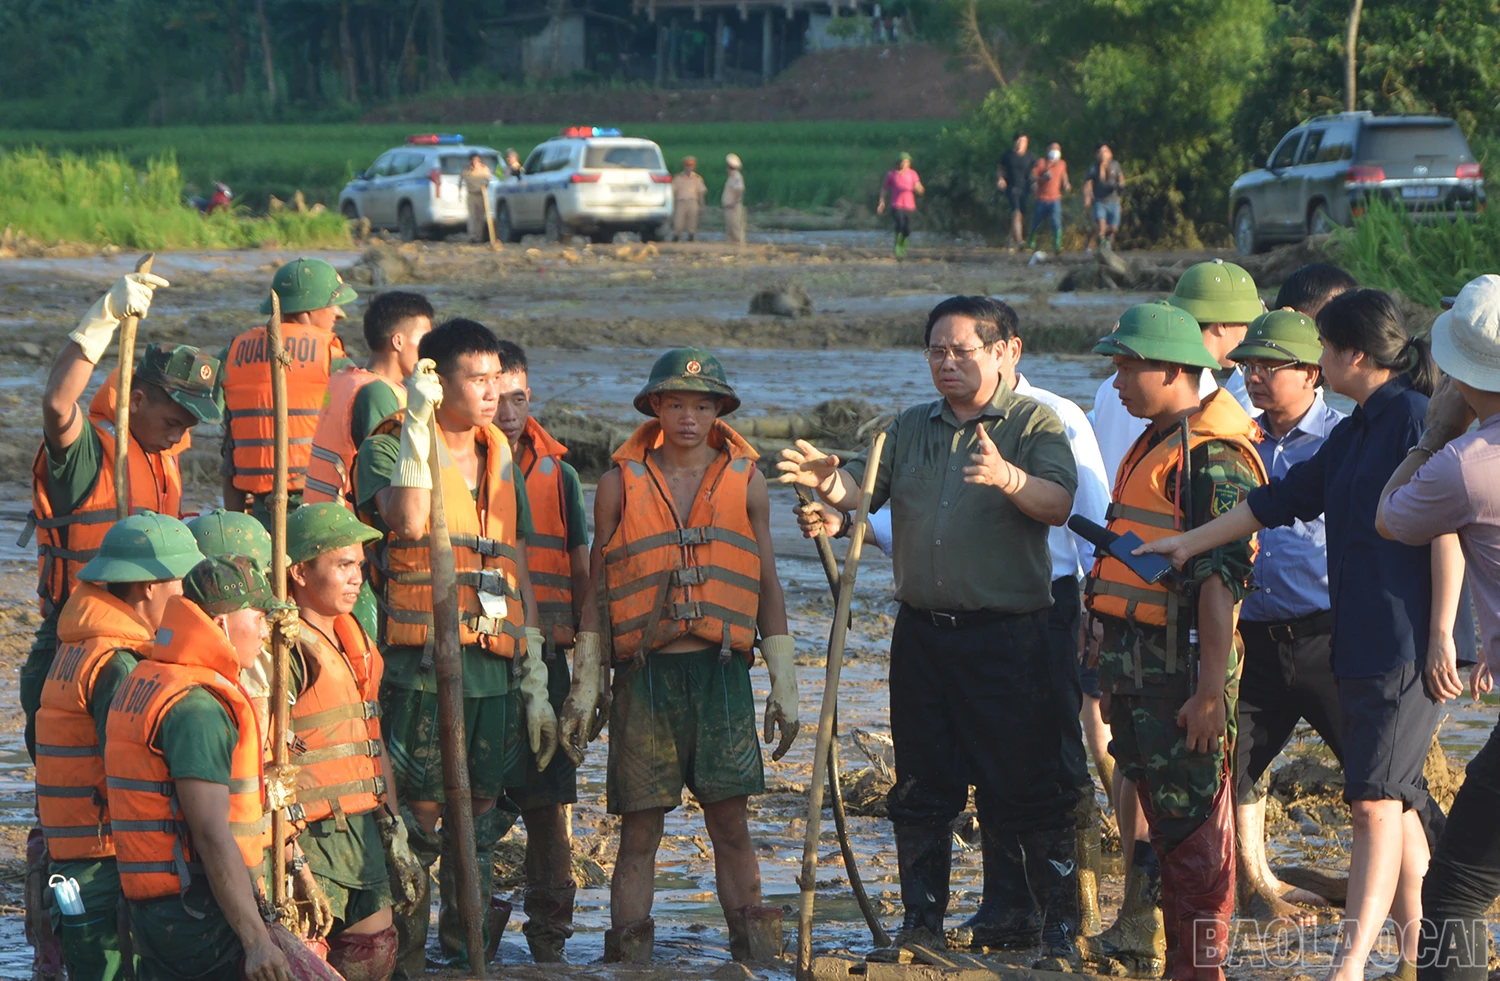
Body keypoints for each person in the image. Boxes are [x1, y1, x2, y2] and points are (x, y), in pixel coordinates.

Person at [1138, 288, 1471, 981]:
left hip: (1408, 642)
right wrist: (1187, 542)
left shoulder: (1413, 419)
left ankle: (1349, 964)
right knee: (1398, 798)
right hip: (1360, 640)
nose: (1316, 359)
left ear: (1353, 355)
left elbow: (1448, 525)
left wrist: (1444, 632)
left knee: (1373, 800)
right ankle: (1423, 957)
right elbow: (1276, 501)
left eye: (1322, 348)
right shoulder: (1352, 433)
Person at [781, 297, 1081, 967]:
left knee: (1029, 784)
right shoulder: (908, 426)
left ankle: (1057, 928)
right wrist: (831, 487)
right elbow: (864, 495)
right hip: (922, 634)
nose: (946, 362)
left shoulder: (1036, 422)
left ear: (1006, 351)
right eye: (936, 351)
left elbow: (1059, 505)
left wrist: (1007, 477)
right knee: (921, 784)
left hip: (1010, 635)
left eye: (961, 350)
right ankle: (921, 924)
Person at [571, 347, 797, 964]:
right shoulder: (619, 483)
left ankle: (756, 957)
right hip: (645, 679)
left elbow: (768, 582)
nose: (689, 417)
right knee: (639, 830)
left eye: (703, 405)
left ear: (721, 410)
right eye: (676, 404)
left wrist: (783, 679)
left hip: (721, 674)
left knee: (731, 824)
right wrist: (586, 683)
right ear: (655, 408)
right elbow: (597, 589)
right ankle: (628, 961)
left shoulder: (747, 481)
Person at [352, 318, 557, 975]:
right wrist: (416, 422)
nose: (494, 390)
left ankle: (469, 953)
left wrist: (536, 681)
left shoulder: (499, 451)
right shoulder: (388, 446)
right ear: (439, 380)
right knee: (418, 816)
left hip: (491, 667)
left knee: (483, 816)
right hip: (418, 666)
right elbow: (408, 518)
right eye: (478, 377)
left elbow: (515, 560)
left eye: (499, 376)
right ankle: (407, 957)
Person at [1086, 301, 1267, 981]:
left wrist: (1208, 692)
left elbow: (1221, 587)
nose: (1119, 378)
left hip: (1181, 676)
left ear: (1173, 369)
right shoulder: (1157, 436)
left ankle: (1199, 970)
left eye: (1130, 365)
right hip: (1139, 668)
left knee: (1194, 833)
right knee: (1166, 824)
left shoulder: (1212, 457)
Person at [1376, 275, 1500, 981]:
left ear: (1455, 372)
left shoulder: (1465, 465)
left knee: (1455, 892)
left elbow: (1390, 516)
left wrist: (1435, 433)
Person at [105, 555, 299, 981]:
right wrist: (256, 941)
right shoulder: (197, 708)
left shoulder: (149, 676)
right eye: (260, 615)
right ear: (224, 624)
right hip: (195, 914)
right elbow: (211, 835)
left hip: (155, 909)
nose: (268, 630)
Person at [1216, 309, 1346, 925]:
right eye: (1248, 365)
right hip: (1251, 643)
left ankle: (1439, 888)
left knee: (1385, 780)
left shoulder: (1345, 440)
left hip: (1329, 640)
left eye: (1272, 366)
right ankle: (1249, 888)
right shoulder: (1237, 437)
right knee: (1226, 767)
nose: (1256, 377)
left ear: (1313, 373)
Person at [36, 514, 204, 981]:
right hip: (105, 859)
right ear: (147, 587)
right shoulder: (116, 664)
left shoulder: (77, 645)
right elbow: (131, 763)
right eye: (179, 581)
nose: (187, 595)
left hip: (74, 856)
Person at [283, 503, 424, 981]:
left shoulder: (353, 639)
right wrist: (287, 850)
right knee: (307, 958)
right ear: (299, 572)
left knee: (374, 952)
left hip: (360, 826)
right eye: (342, 565)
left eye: (360, 566)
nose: (356, 577)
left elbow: (370, 738)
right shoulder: (285, 648)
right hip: (308, 832)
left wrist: (393, 824)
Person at [489, 340, 593, 962]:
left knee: (549, 802)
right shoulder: (451, 462)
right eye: (495, 397)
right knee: (466, 799)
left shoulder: (562, 476)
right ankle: (465, 931)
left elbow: (582, 572)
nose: (507, 411)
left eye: (518, 398)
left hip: (548, 661)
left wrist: (587, 673)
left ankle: (550, 939)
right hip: (479, 653)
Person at [1092, 259, 1263, 486]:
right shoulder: (1199, 392)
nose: (1248, 337)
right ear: (1222, 323)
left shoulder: (1110, 385)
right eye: (1246, 325)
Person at [221, 257, 357, 527]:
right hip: (319, 508)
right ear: (307, 309)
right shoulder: (332, 357)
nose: (337, 314)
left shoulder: (234, 352)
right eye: (332, 304)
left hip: (261, 510)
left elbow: (229, 447)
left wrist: (236, 524)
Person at [305, 291, 433, 510]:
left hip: (323, 516)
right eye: (423, 340)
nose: (428, 350)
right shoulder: (378, 393)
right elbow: (384, 475)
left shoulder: (347, 378)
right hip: (348, 527)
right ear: (398, 341)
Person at [878, 152, 925, 257]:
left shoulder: (912, 174)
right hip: (897, 205)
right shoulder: (892, 174)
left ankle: (903, 246)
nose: (903, 164)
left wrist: (919, 189)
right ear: (898, 163)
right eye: (902, 162)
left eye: (906, 162)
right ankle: (897, 247)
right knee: (900, 224)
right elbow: (884, 189)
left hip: (910, 206)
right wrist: (882, 202)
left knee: (907, 229)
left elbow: (920, 188)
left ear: (909, 163)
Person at [996, 132, 1036, 251]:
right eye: (1019, 140)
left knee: (1020, 214)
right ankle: (1019, 241)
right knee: (1016, 212)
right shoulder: (1008, 155)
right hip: (1011, 187)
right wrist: (1000, 179)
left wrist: (1035, 183)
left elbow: (1036, 171)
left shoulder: (1031, 156)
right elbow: (1000, 168)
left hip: (1026, 188)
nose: (1021, 143)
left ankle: (1010, 238)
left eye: (1024, 141)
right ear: (1015, 142)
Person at [1028, 143, 1070, 254]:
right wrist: (1042, 178)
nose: (1055, 151)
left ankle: (1057, 246)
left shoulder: (1062, 163)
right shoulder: (1041, 162)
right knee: (1037, 222)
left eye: (1057, 149)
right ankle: (1031, 241)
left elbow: (1063, 174)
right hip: (1041, 198)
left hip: (1055, 198)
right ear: (1048, 150)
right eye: (1053, 149)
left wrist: (1066, 183)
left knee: (1056, 221)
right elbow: (1032, 176)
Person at [1083, 144, 1124, 251]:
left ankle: (1108, 246)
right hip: (1099, 201)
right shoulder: (1093, 168)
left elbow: (1120, 177)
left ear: (1110, 153)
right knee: (1101, 227)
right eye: (1101, 152)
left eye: (1106, 151)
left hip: (1113, 201)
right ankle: (1101, 248)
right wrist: (1087, 197)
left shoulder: (1115, 165)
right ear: (1097, 154)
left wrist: (1120, 184)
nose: (1103, 154)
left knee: (1114, 229)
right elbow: (1087, 183)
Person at [671, 157, 708, 242]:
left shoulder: (697, 178)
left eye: (691, 166)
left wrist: (702, 206)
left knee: (692, 222)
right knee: (678, 222)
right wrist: (673, 205)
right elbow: (673, 192)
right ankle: (676, 238)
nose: (689, 168)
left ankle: (691, 239)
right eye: (687, 165)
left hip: (692, 201)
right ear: (684, 166)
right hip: (681, 202)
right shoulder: (678, 178)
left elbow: (701, 193)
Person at [461, 153, 494, 244]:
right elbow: (461, 181)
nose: (475, 163)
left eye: (477, 160)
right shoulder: (466, 170)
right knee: (472, 216)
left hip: (481, 194)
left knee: (480, 216)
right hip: (471, 194)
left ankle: (479, 236)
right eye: (473, 160)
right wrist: (459, 194)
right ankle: (472, 236)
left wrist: (485, 186)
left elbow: (488, 180)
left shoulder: (484, 169)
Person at [722, 154, 747, 245]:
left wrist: (735, 201)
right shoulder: (732, 177)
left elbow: (739, 190)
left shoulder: (736, 177)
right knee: (730, 228)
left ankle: (739, 246)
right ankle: (732, 245)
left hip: (734, 206)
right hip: (729, 206)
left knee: (736, 227)